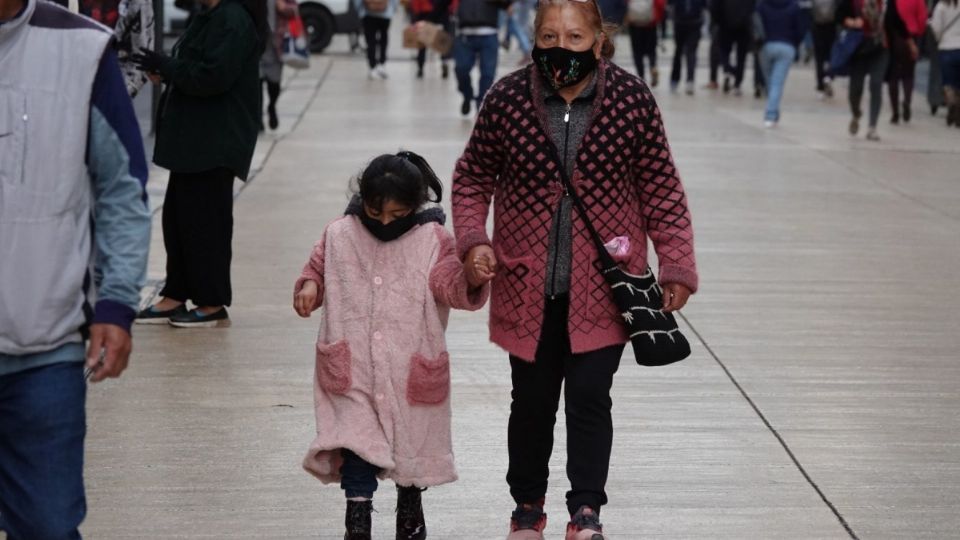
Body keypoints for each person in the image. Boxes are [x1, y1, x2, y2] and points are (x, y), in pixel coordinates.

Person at [452, 0, 699, 538]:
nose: (560, 50)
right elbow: (472, 176)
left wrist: (675, 262)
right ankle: (527, 504)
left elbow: (661, 186)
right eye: (548, 38)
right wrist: (473, 241)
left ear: (598, 40)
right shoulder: (508, 98)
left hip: (606, 285)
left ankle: (586, 508)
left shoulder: (631, 99)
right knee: (532, 402)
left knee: (590, 396)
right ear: (534, 39)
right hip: (526, 285)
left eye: (574, 38)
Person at [0, 0, 151, 536]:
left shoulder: (82, 49)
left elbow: (122, 190)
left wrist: (117, 302)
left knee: (46, 525)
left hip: (44, 350)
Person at [294, 152, 491, 540]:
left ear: (415, 206)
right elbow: (317, 267)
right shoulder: (340, 233)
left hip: (409, 367)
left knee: (410, 446)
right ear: (362, 200)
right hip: (352, 367)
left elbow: (450, 285)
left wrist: (469, 276)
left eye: (397, 215)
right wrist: (310, 287)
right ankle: (357, 521)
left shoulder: (433, 240)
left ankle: (410, 511)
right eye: (375, 212)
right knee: (354, 442)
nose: (384, 223)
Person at [131, 0, 267, 326]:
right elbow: (193, 64)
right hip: (194, 140)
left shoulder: (233, 18)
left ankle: (211, 301)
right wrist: (166, 68)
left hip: (215, 140)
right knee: (179, 221)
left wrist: (168, 66)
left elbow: (213, 76)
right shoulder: (210, 15)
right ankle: (176, 294)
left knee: (206, 225)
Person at [836, 0, 890, 140]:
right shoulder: (854, 2)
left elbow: (896, 22)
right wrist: (852, 22)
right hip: (859, 48)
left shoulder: (886, 3)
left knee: (876, 84)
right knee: (855, 88)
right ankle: (856, 113)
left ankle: (872, 127)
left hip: (880, 48)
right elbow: (839, 15)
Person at [758, 0, 805, 126]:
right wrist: (795, 43)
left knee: (770, 82)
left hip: (766, 46)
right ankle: (772, 114)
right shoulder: (794, 6)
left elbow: (757, 24)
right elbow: (800, 29)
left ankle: (772, 111)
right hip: (787, 46)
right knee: (776, 83)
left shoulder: (762, 5)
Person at [453, 0, 505, 115]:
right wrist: (426, 20)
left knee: (488, 73)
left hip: (489, 34)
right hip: (465, 35)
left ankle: (481, 104)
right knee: (461, 69)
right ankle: (467, 95)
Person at [886, 0, 928, 123]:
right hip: (912, 35)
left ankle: (895, 112)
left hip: (894, 38)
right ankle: (907, 101)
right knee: (908, 74)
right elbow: (922, 17)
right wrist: (919, 31)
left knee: (893, 75)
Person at [260, 0, 298, 130]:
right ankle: (258, 117)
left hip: (276, 45)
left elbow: (294, 10)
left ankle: (271, 106)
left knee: (274, 84)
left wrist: (283, 6)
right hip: (256, 44)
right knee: (256, 83)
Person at [712, 0, 756, 94]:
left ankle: (727, 70)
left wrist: (718, 21)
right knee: (741, 57)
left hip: (725, 25)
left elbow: (715, 6)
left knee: (724, 51)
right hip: (743, 26)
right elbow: (753, 7)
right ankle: (737, 84)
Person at [930, 0, 960, 125]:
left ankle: (951, 103)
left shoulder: (941, 6)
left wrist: (938, 39)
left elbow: (936, 27)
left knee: (948, 83)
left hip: (947, 47)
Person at [670, 0, 708, 94]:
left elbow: (705, 6)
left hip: (695, 24)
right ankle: (675, 79)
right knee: (678, 52)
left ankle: (690, 80)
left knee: (691, 53)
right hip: (680, 24)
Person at [356, 0, 400, 79]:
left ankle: (372, 67)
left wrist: (360, 10)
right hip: (386, 13)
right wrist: (393, 8)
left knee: (370, 41)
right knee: (384, 39)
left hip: (368, 14)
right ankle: (382, 64)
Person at [410, 0, 454, 78]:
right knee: (441, 41)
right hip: (439, 13)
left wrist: (415, 17)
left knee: (425, 42)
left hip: (428, 13)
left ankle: (421, 67)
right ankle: (443, 62)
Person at [627, 0, 667, 85]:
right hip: (650, 25)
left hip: (635, 25)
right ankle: (653, 67)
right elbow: (661, 4)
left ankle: (641, 77)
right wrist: (658, 19)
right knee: (651, 50)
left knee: (637, 52)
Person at [810, 0, 838, 97]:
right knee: (832, 55)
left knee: (819, 59)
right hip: (832, 27)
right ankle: (829, 76)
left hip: (817, 27)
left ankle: (820, 86)